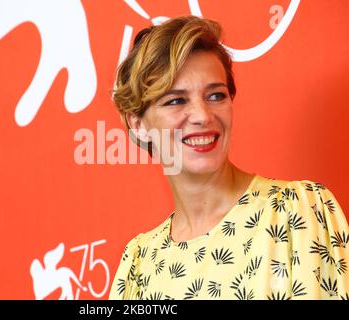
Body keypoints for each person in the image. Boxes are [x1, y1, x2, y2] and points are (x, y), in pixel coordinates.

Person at [108, 15, 349, 300]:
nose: (203, 116)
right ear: (138, 124)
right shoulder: (139, 263)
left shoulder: (297, 212)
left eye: (215, 96)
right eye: (176, 100)